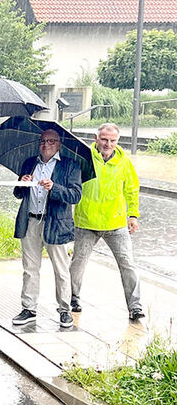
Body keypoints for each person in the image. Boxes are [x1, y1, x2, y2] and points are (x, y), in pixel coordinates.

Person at [69, 123, 143, 320]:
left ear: (117, 141)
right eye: (104, 139)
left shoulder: (124, 162)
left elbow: (132, 189)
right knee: (78, 264)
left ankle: (135, 306)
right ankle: (73, 297)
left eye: (112, 141)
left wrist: (133, 215)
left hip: (115, 223)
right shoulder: (83, 156)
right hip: (86, 222)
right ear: (96, 139)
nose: (108, 144)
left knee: (127, 264)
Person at [11, 129, 82, 328]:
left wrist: (54, 187)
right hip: (30, 221)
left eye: (51, 141)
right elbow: (17, 194)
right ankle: (29, 308)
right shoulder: (29, 163)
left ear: (59, 144)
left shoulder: (69, 165)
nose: (46, 144)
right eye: (43, 141)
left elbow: (76, 195)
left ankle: (64, 310)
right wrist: (22, 184)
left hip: (56, 223)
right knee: (30, 268)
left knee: (60, 270)